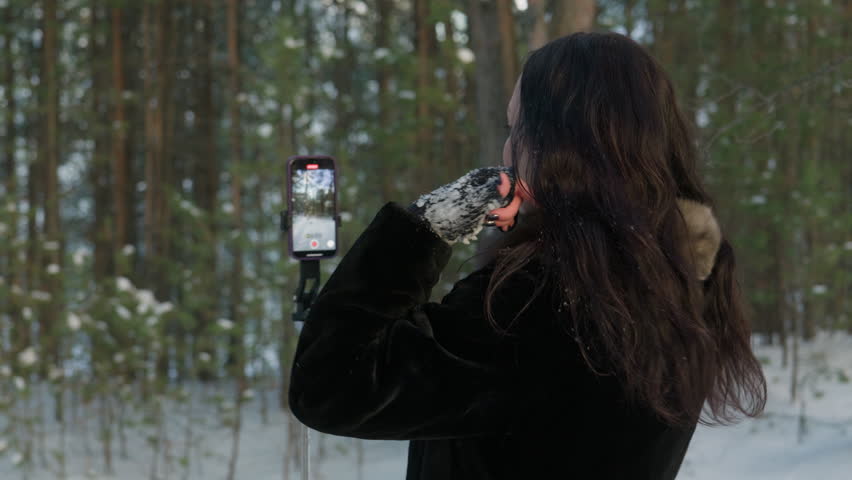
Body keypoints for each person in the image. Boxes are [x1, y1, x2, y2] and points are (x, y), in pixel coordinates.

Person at [288, 32, 767, 479]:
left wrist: (424, 227)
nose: (507, 149)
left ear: (562, 146)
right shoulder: (680, 279)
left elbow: (332, 385)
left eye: (518, 129)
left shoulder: (541, 302)